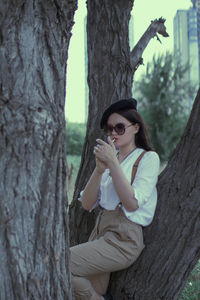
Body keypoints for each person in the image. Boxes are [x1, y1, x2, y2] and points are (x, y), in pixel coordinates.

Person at [70, 98, 160, 300]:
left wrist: (112, 162)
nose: (113, 133)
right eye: (109, 129)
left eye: (119, 127)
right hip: (100, 234)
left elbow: (132, 203)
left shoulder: (147, 158)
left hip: (123, 239)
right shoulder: (112, 159)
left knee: (61, 263)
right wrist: (100, 169)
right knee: (76, 289)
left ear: (135, 127)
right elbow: (86, 204)